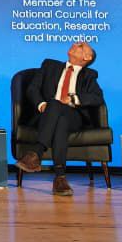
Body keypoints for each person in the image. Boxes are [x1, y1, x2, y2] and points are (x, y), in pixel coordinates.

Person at [15, 41, 105, 196]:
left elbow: (97, 98)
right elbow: (32, 89)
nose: (76, 44)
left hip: (74, 116)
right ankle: (60, 178)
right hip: (46, 114)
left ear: (87, 57)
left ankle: (37, 152)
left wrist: (74, 98)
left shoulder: (89, 76)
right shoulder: (49, 65)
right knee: (59, 117)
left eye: (81, 46)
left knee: (59, 109)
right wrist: (42, 104)